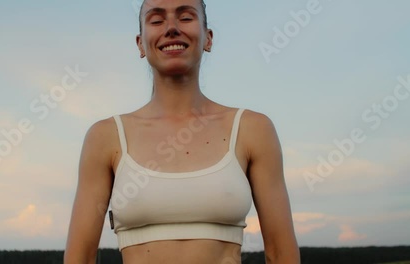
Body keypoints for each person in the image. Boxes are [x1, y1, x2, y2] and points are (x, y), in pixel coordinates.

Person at [64, 0, 300, 263]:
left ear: (208, 39)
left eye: (186, 17)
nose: (172, 28)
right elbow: (79, 258)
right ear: (141, 44)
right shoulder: (105, 137)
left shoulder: (253, 129)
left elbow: (282, 254)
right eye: (156, 20)